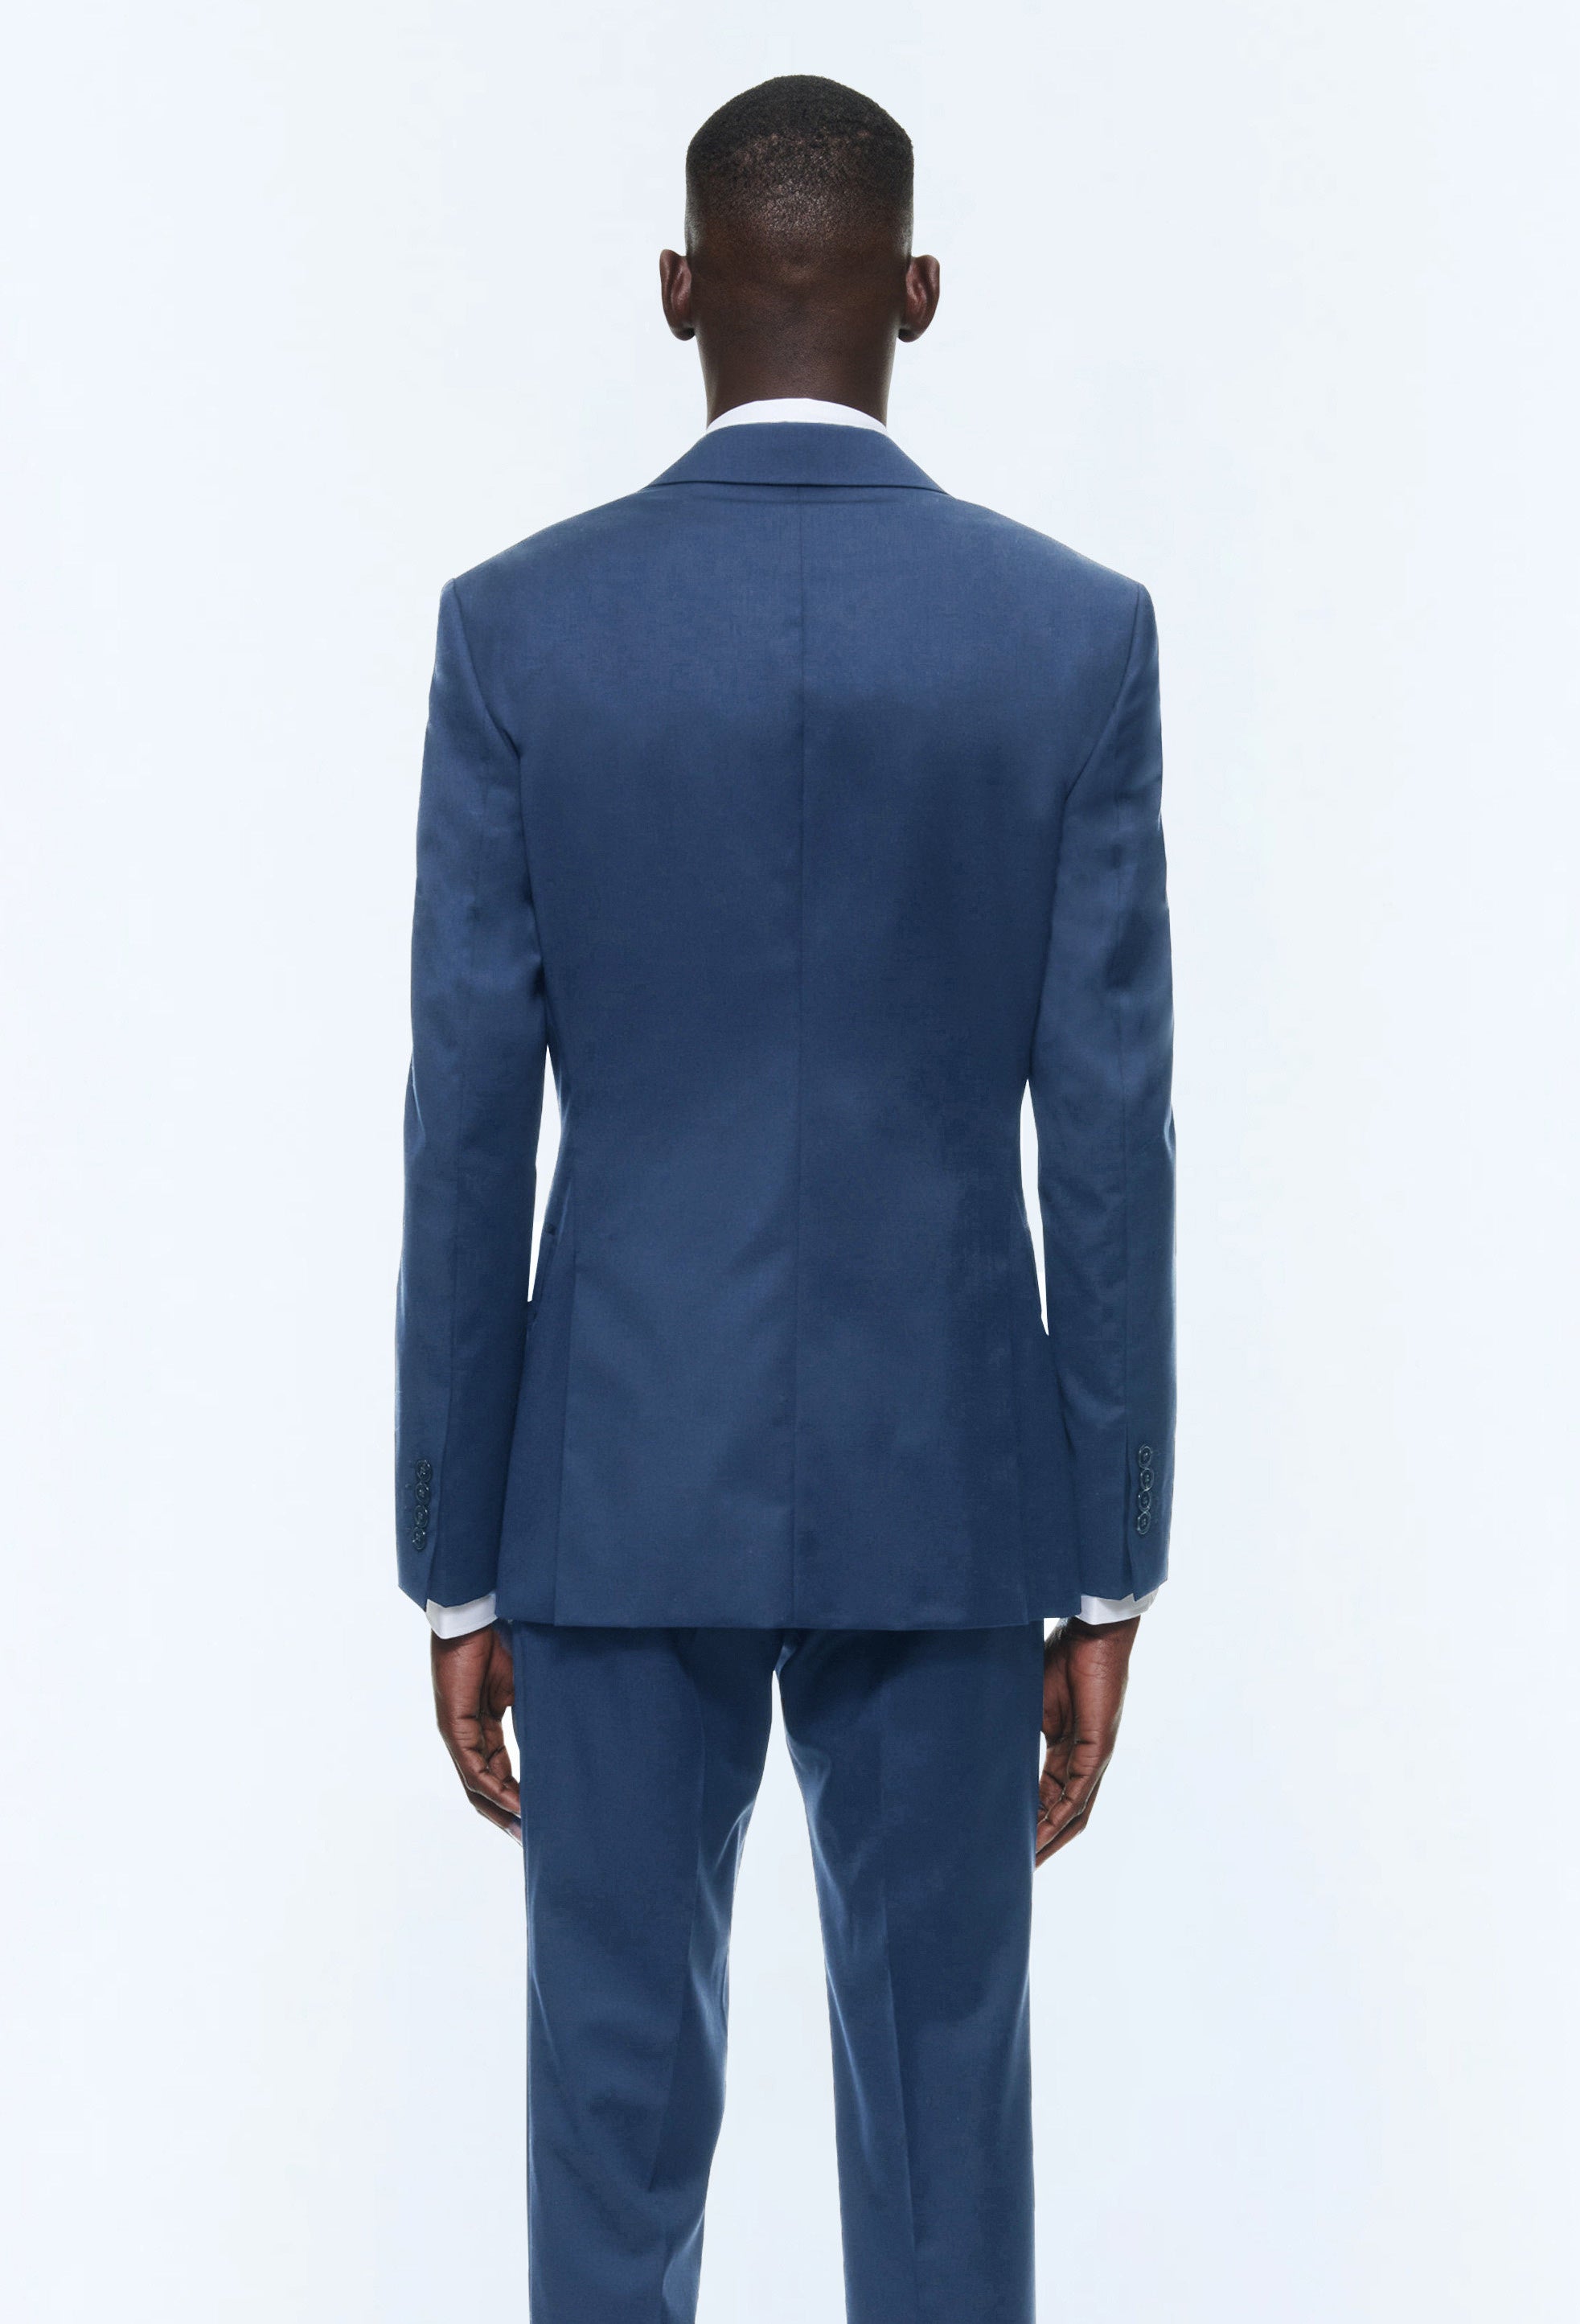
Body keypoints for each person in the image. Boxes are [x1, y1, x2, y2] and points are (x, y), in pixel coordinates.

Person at [396, 72, 1174, 2324]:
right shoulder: (1069, 638)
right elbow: (1108, 1131)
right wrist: (1110, 1549)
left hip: (611, 1479)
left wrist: (453, 1555)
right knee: (944, 2135)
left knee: (610, 2134)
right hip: (953, 1485)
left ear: (678, 291)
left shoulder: (518, 631)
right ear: (917, 294)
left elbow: (467, 1120)